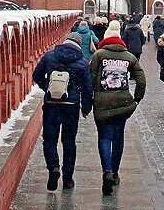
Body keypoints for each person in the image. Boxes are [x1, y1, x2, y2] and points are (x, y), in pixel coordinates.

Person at [89, 19, 146, 195]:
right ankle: (115, 172)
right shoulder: (128, 57)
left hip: (102, 103)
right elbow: (141, 80)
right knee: (118, 137)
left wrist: (90, 99)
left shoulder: (98, 55)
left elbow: (90, 79)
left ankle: (106, 171)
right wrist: (136, 99)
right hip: (123, 103)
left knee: (105, 138)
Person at [32, 32, 94, 191]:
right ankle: (68, 179)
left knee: (49, 140)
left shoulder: (50, 56)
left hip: (52, 104)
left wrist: (47, 88)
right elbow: (88, 88)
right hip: (71, 105)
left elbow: (36, 75)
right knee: (69, 142)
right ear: (79, 45)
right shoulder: (82, 62)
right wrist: (86, 108)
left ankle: (53, 167)